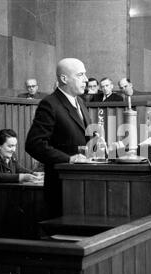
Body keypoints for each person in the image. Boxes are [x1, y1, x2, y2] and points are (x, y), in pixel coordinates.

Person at [25, 58, 92, 219]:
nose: (86, 79)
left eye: (85, 74)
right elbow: (34, 144)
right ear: (64, 79)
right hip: (62, 187)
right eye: (80, 75)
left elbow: (79, 137)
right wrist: (69, 159)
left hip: (82, 184)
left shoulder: (81, 102)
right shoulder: (50, 104)